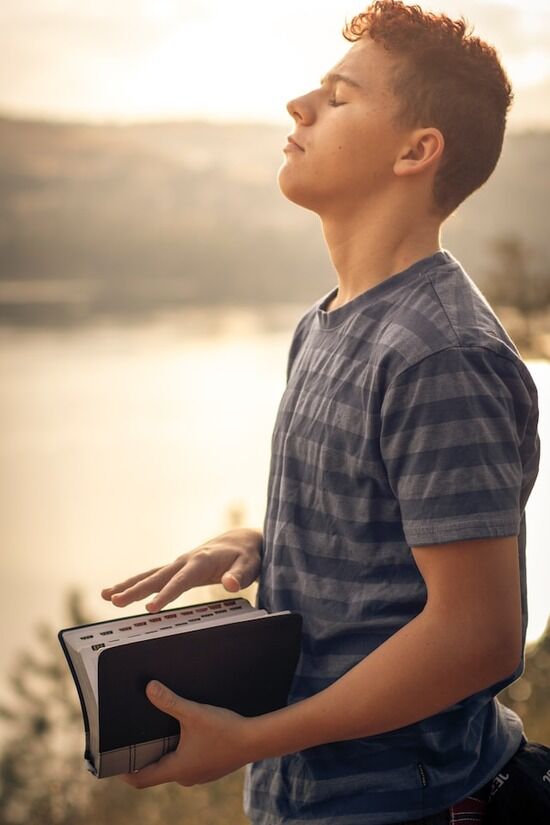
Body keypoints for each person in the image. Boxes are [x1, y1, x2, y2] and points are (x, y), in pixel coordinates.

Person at [101, 2, 541, 823]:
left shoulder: (439, 353)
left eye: (338, 98)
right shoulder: (329, 322)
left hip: (405, 805)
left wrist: (253, 737)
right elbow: (391, 539)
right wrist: (261, 540)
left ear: (416, 151)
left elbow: (477, 635)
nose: (299, 106)